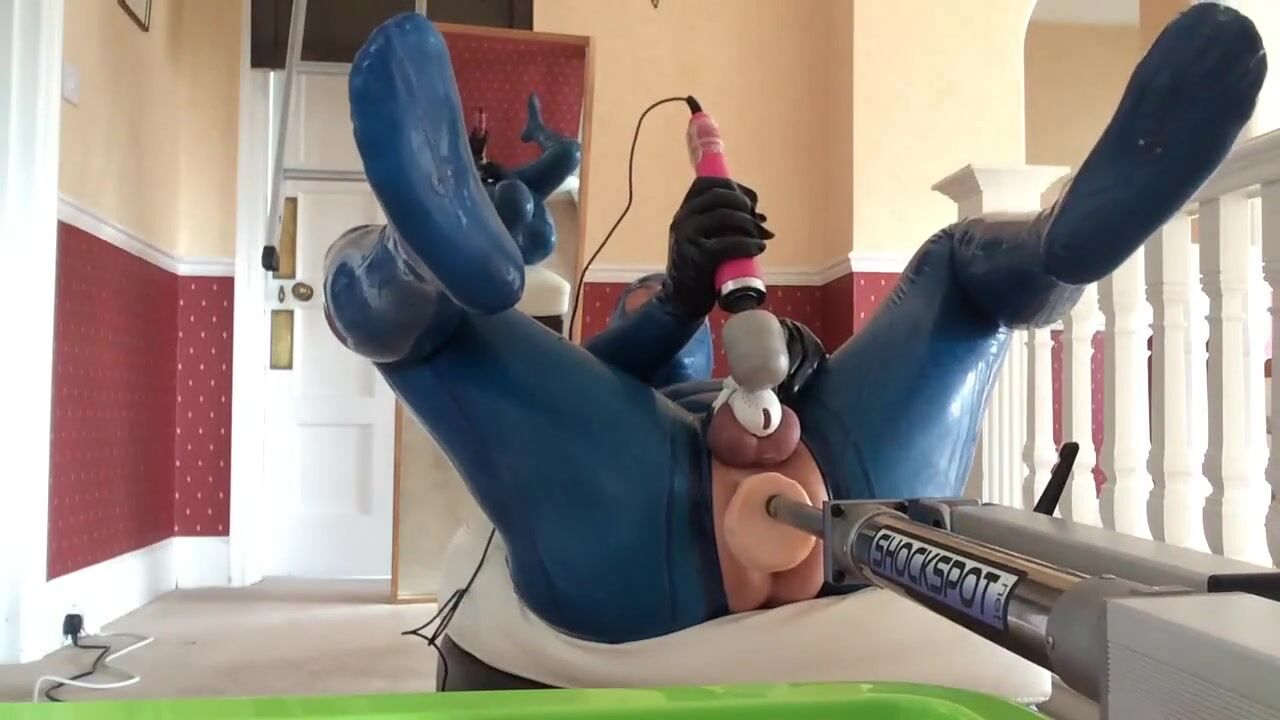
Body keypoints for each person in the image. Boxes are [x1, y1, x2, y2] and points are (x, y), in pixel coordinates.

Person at [325, 1, 1264, 653]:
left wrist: (793, 354)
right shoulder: (632, 370)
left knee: (948, 268)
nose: (658, 306)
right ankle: (420, 260)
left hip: (715, 518)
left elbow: (598, 389)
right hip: (769, 503)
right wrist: (679, 297)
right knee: (957, 277)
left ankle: (1056, 245)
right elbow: (598, 376)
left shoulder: (650, 387)